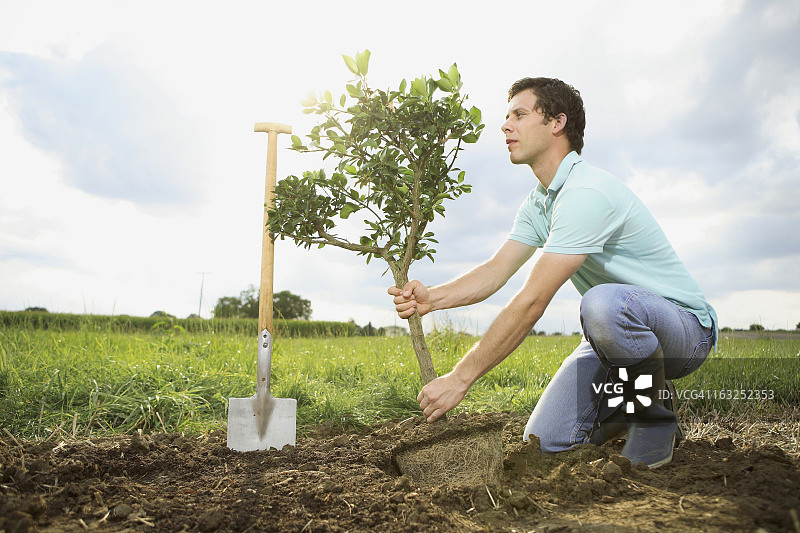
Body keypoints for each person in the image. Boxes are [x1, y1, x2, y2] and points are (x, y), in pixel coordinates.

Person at [387, 77, 717, 468]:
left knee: (603, 303)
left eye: (520, 115)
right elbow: (496, 271)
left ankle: (652, 418)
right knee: (544, 441)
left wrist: (459, 378)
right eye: (506, 117)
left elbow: (532, 301)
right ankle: (635, 405)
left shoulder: (586, 193)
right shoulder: (540, 203)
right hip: (613, 336)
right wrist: (433, 299)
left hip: (683, 333)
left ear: (557, 123)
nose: (505, 126)